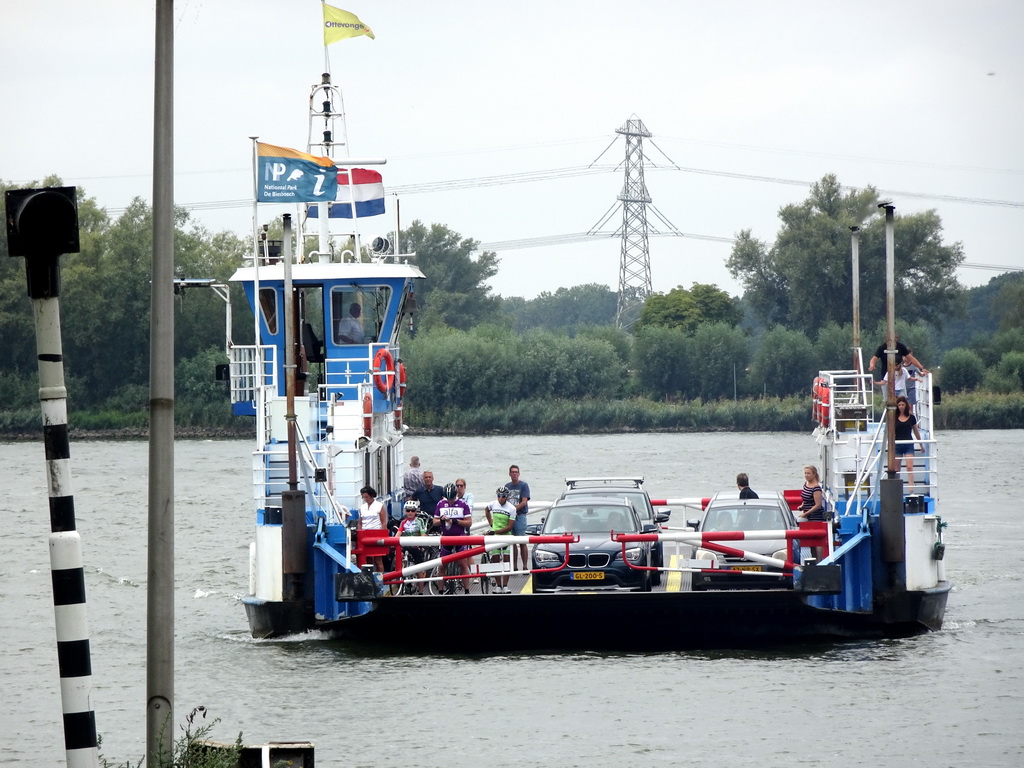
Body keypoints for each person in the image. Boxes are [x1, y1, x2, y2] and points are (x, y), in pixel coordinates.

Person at [433, 482, 473, 591]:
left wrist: (455, 521)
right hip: (446, 537)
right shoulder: (440, 504)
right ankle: (440, 590)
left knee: (463, 563)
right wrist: (441, 519)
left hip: (459, 536)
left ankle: (467, 590)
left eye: (452, 498)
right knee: (442, 565)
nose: (450, 500)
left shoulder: (463, 504)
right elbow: (434, 522)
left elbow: (469, 522)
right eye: (448, 498)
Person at [484, 486, 518, 593]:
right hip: (495, 536)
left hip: (506, 536)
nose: (501, 498)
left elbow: (510, 527)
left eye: (503, 496)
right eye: (499, 496)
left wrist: (495, 531)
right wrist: (491, 523)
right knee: (496, 560)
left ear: (507, 497)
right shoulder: (493, 504)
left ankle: (505, 585)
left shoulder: (512, 508)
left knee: (507, 560)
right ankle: (499, 585)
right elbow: (486, 510)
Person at [396, 499, 428, 594]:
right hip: (405, 545)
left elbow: (423, 534)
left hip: (415, 546)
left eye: (412, 510)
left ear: (416, 511)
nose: (410, 512)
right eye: (408, 510)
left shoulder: (420, 521)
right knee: (398, 555)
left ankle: (421, 591)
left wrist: (420, 542)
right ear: (405, 511)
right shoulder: (403, 522)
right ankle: (399, 573)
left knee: (418, 570)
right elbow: (398, 534)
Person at [894, 395, 924, 490]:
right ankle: (896, 489)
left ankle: (911, 488)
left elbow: (916, 431)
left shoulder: (911, 417)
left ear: (906, 405)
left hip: (908, 444)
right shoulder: (894, 417)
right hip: (897, 445)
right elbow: (891, 432)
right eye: (899, 405)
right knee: (896, 469)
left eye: (903, 404)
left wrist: (921, 444)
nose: (901, 406)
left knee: (909, 467)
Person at [505, 464, 531, 574]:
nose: (514, 474)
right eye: (513, 472)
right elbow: (503, 501)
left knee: (522, 541)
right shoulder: (507, 486)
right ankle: (514, 566)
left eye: (516, 472)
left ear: (519, 474)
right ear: (509, 474)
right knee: (512, 542)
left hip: (520, 516)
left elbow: (524, 501)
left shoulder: (524, 486)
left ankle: (525, 566)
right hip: (509, 518)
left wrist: (514, 510)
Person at [357, 485, 388, 573]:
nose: (365, 499)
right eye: (363, 497)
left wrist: (383, 536)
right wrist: (359, 533)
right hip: (365, 534)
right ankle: (370, 580)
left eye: (366, 497)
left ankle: (380, 580)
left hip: (376, 534)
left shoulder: (379, 506)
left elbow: (383, 522)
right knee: (368, 560)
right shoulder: (362, 507)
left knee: (378, 560)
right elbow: (360, 521)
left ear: (371, 495)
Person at [797, 466, 825, 561]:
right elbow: (805, 499)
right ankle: (813, 559)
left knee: (817, 541)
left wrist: (806, 514)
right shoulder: (806, 484)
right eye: (805, 473)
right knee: (810, 540)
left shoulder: (816, 488)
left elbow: (818, 505)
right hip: (807, 515)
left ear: (814, 474)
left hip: (816, 516)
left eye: (808, 473)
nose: (806, 475)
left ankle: (819, 560)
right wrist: (802, 506)